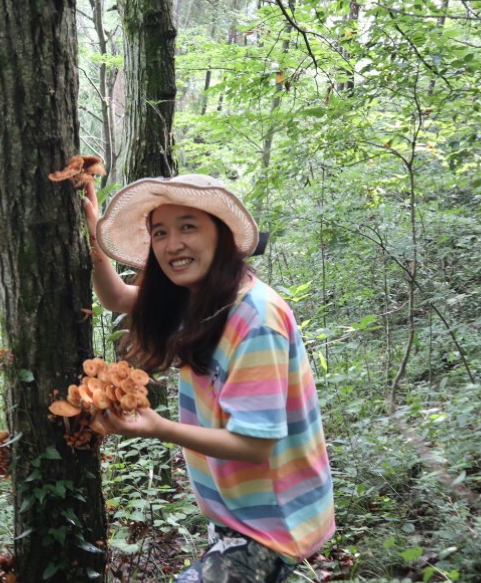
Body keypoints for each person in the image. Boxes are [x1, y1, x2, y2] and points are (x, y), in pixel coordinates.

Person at [82, 175, 335, 582]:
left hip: (275, 521)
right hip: (237, 513)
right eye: (159, 232)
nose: (172, 244)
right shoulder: (197, 298)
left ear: (223, 235)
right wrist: (93, 237)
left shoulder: (255, 318)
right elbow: (116, 298)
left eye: (188, 227)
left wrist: (159, 428)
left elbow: (254, 444)